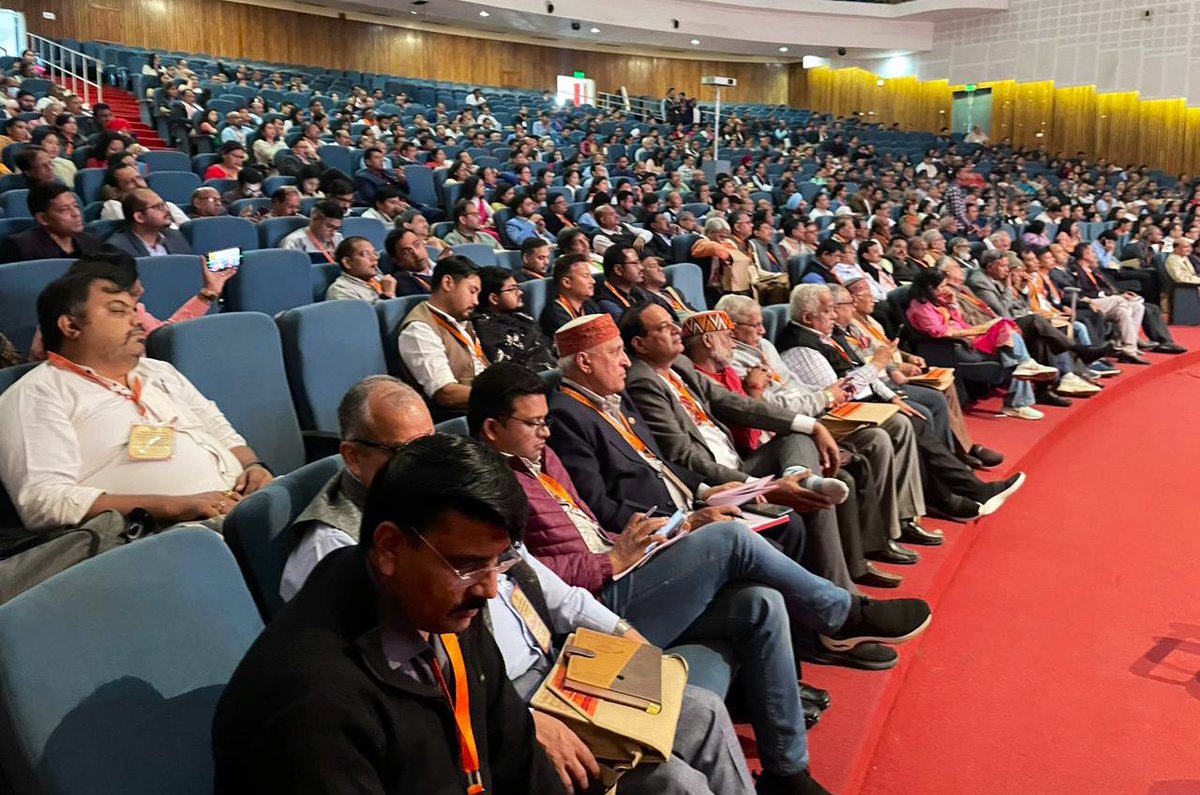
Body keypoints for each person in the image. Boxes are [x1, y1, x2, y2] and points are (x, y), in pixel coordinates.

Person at [471, 358, 930, 794]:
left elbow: (588, 526)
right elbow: (527, 579)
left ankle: (787, 772)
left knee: (760, 602)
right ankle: (842, 612)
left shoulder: (541, 457)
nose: (545, 432)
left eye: (545, 421)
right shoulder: (484, 490)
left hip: (618, 567)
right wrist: (611, 561)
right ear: (493, 430)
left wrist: (657, 535)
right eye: (534, 424)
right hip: (596, 597)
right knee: (730, 541)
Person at [213, 434, 565, 794]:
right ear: (389, 547)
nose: (489, 589)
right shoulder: (311, 702)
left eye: (499, 562)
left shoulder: (442, 605)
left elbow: (518, 758)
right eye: (467, 566)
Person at [0, 265, 273, 536]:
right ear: (71, 325)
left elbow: (220, 429)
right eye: (119, 311)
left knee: (312, 492)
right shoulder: (38, 393)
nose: (138, 321)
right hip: (175, 534)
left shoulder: (158, 371)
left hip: (245, 504)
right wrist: (171, 506)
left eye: (135, 309)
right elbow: (42, 501)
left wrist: (253, 466)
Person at [779, 284, 1026, 517]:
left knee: (916, 415)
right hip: (840, 415)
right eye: (827, 311)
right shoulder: (802, 347)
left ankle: (955, 491)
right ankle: (959, 493)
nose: (834, 315)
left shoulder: (827, 335)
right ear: (808, 318)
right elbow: (841, 392)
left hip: (866, 401)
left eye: (834, 308)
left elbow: (857, 369)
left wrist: (893, 396)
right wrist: (878, 363)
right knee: (912, 424)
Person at [26, 250, 230, 362]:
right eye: (118, 309)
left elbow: (164, 335)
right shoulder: (65, 324)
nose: (141, 290)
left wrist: (207, 295)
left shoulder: (135, 313)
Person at [904, 269, 1050, 419]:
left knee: (1008, 333)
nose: (944, 290)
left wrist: (953, 303)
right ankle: (1018, 396)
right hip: (956, 344)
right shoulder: (920, 307)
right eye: (941, 287)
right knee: (1014, 351)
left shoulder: (936, 299)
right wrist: (972, 332)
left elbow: (959, 320)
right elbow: (938, 332)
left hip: (968, 335)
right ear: (930, 288)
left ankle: (1023, 374)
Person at [396, 255, 488, 411]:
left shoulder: (461, 319)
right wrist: (501, 397)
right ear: (447, 283)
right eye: (472, 291)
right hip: (462, 414)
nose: (476, 301)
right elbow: (446, 394)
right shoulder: (419, 328)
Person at [472, 266, 557, 372]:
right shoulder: (487, 329)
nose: (520, 292)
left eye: (518, 287)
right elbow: (510, 370)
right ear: (494, 299)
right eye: (512, 289)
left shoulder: (522, 317)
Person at [2, 183, 107, 263]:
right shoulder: (21, 247)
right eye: (65, 209)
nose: (76, 214)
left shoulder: (91, 241)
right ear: (42, 219)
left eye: (76, 206)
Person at [106, 189, 196, 257]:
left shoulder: (175, 236)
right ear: (139, 217)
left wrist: (210, 265)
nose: (167, 210)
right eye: (158, 207)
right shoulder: (118, 247)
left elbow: (193, 267)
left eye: (164, 205)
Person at [540, 253, 604, 336]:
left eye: (591, 276)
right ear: (566, 282)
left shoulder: (589, 304)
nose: (593, 281)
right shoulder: (555, 314)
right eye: (586, 276)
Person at [325, 236, 396, 303]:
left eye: (374, 253)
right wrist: (388, 294)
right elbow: (360, 315)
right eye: (366, 254)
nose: (374, 258)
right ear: (347, 263)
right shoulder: (340, 290)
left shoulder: (381, 279)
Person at [280, 199, 344, 262]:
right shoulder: (294, 241)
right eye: (329, 227)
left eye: (337, 228)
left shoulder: (338, 237)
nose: (333, 233)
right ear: (314, 218)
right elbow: (288, 269)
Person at [595, 244, 646, 320]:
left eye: (639, 262)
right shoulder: (607, 303)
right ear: (618, 270)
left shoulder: (636, 292)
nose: (641, 267)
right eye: (635, 263)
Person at [384, 226, 435, 296]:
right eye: (406, 253)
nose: (416, 254)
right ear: (396, 260)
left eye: (417, 245)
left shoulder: (442, 266)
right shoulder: (403, 282)